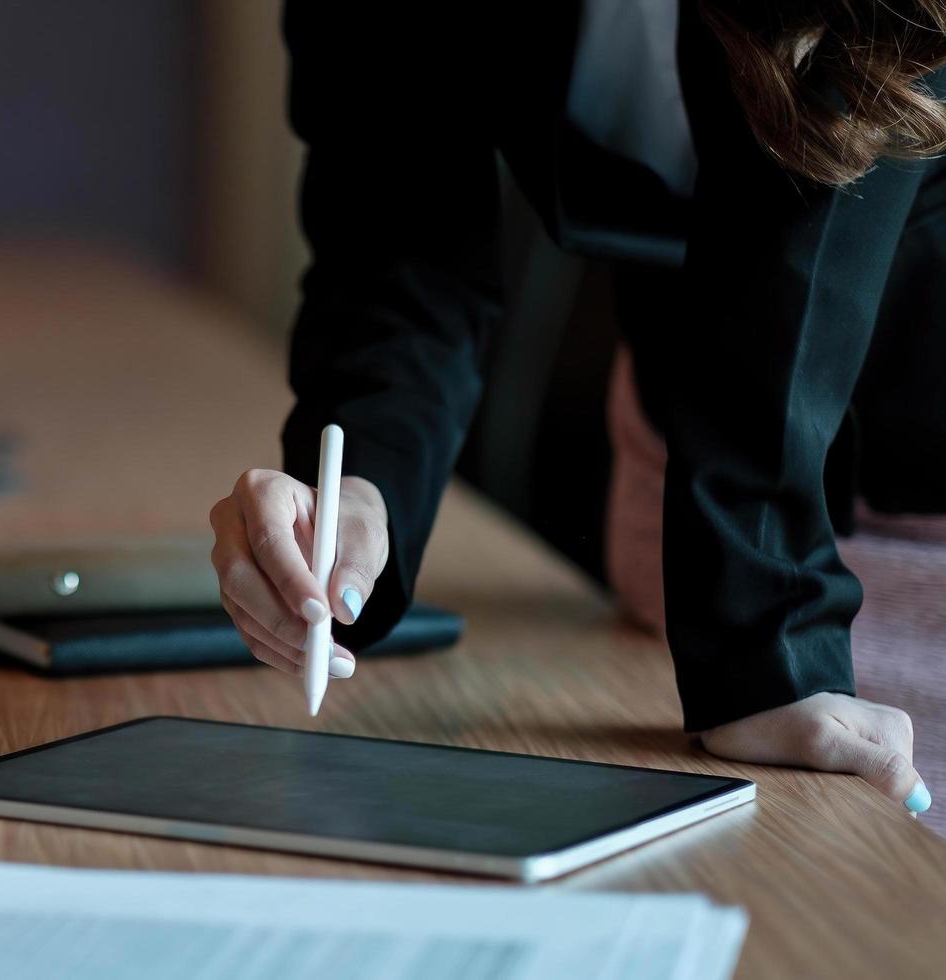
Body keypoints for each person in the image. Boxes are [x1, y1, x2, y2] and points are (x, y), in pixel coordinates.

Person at [211, 0, 944, 816]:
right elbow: (399, 238)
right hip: (692, 538)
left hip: (899, 538)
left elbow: (827, 185)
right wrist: (359, 494)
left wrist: (768, 638)